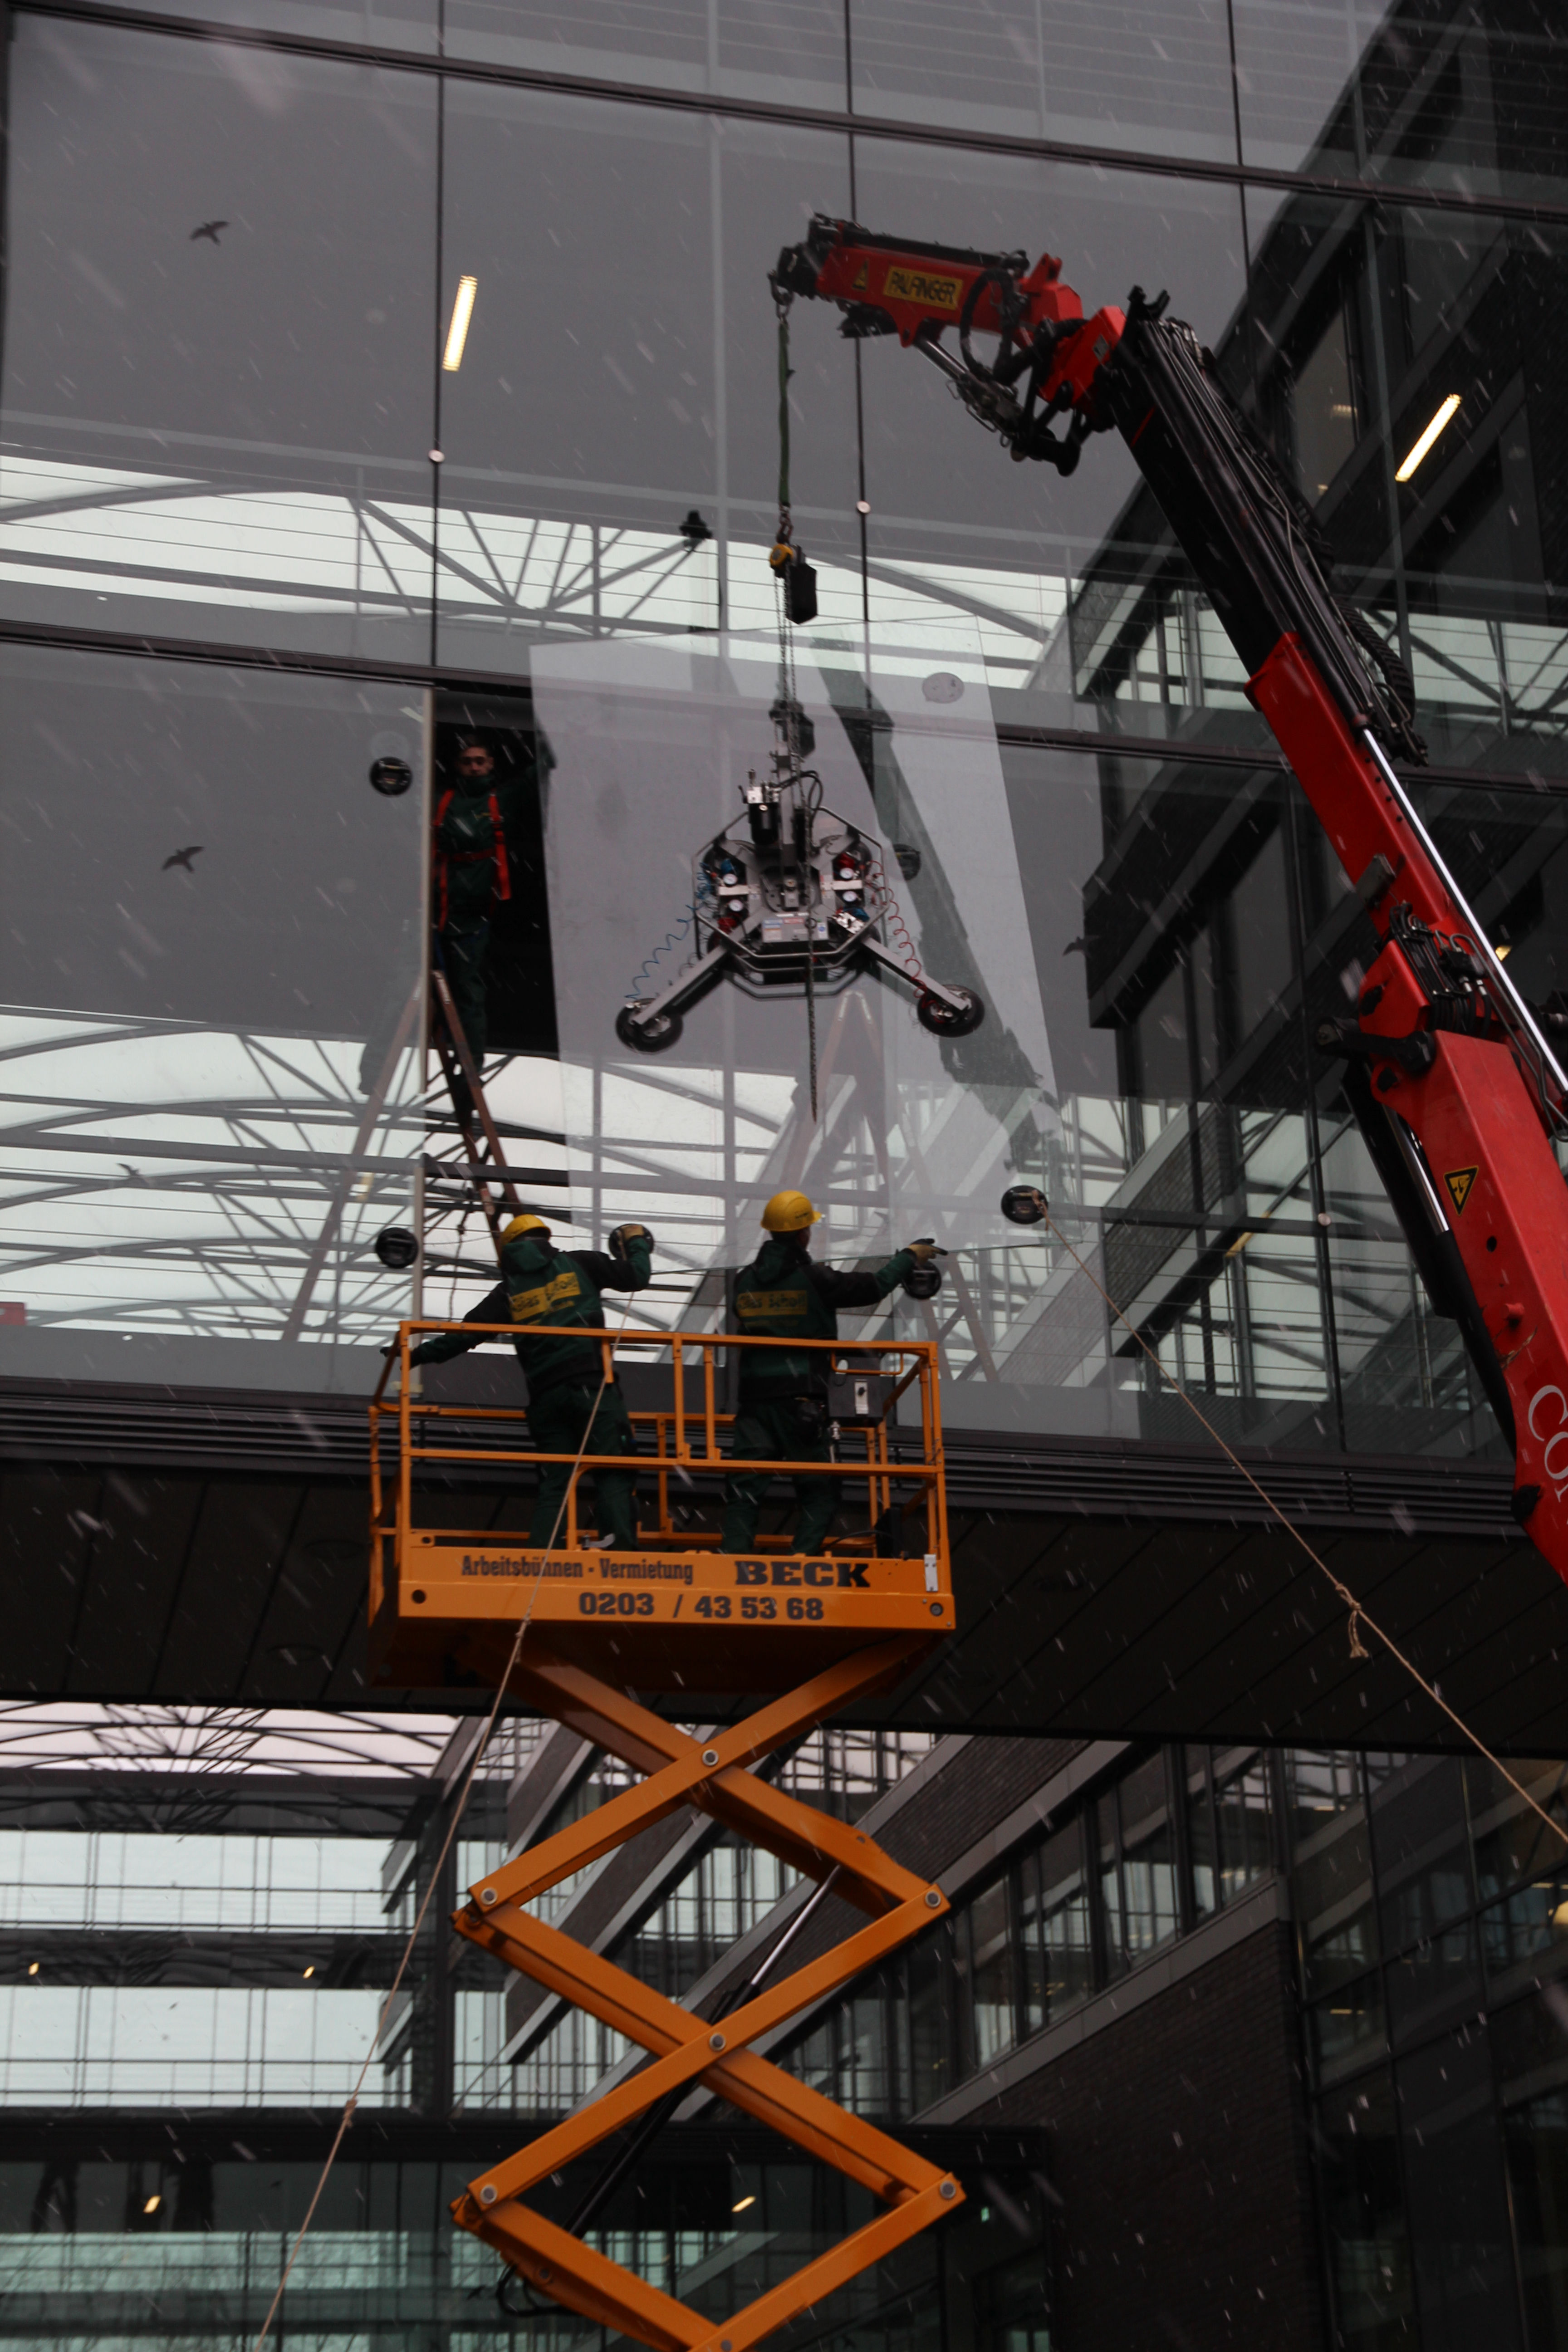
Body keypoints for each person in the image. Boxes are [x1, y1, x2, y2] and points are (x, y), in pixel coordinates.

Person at [407, 1214, 654, 1550]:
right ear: (545, 1238)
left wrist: (414, 1356)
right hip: (592, 1390)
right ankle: (619, 1550)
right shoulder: (581, 1263)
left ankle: (545, 1552)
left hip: (547, 1400)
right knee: (614, 1465)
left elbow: (462, 1337)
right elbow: (638, 1276)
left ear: (509, 1252)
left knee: (555, 1482)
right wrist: (637, 1240)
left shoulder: (508, 1291)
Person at [720, 1191, 937, 1557]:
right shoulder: (814, 1278)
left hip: (755, 1405)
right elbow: (874, 1287)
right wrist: (908, 1257)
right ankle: (800, 1561)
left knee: (744, 1490)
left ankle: (733, 1560)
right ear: (804, 1233)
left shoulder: (743, 1282)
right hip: (803, 1403)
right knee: (819, 1492)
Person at [433, 736, 519, 1067]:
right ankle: (375, 1071)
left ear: (490, 764)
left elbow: (537, 774)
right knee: (406, 992)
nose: (474, 767)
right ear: (457, 765)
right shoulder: (441, 801)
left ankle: (471, 1064)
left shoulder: (499, 801)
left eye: (479, 761)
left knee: (468, 993)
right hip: (435, 914)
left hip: (472, 919)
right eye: (468, 761)